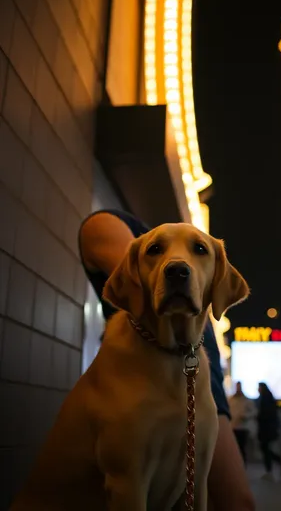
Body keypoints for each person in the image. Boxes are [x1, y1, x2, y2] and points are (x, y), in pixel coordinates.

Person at [79, 209, 255, 511]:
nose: (176, 263)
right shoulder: (105, 223)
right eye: (157, 250)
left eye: (198, 249)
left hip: (196, 369)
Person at [257, 382, 281, 480]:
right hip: (269, 429)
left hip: (266, 429)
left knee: (265, 449)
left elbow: (264, 415)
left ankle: (271, 468)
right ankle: (276, 464)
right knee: (266, 449)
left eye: (259, 388)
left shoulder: (264, 400)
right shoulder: (269, 399)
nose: (257, 389)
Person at [229, 382, 256, 464]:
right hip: (232, 427)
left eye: (239, 387)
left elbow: (254, 411)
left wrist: (246, 416)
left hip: (243, 427)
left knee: (242, 448)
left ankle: (242, 466)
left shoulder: (247, 400)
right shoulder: (230, 400)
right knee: (233, 449)